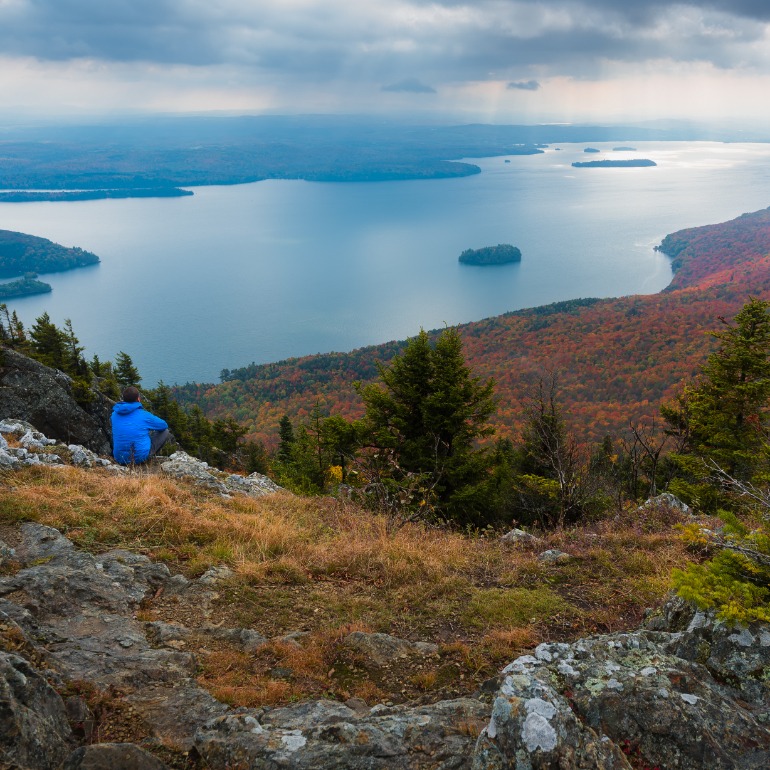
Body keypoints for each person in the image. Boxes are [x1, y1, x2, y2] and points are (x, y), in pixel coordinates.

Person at [111, 386, 172, 464]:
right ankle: (148, 459)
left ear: (123, 399)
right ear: (138, 399)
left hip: (119, 458)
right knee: (165, 431)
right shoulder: (144, 415)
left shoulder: (114, 415)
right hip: (139, 458)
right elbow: (164, 425)